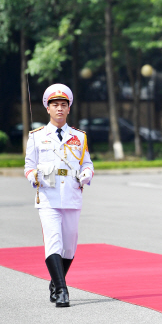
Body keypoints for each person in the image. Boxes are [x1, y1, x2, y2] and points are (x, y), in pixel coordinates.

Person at [24, 83, 94, 307]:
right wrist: (36, 176)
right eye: (55, 105)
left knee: (70, 246)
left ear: (69, 108)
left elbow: (87, 163)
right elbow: (28, 167)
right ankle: (62, 290)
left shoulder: (79, 137)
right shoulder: (36, 137)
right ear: (48, 108)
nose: (60, 109)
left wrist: (86, 173)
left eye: (64, 105)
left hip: (72, 195)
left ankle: (55, 281)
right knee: (53, 242)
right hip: (48, 197)